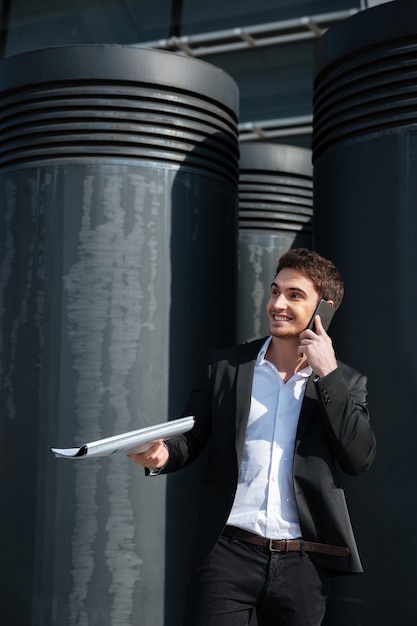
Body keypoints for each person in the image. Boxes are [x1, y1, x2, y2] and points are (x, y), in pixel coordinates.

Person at [129, 247, 377, 626]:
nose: (278, 303)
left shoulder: (347, 382)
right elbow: (189, 437)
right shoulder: (226, 366)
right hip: (226, 553)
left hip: (304, 562)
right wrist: (161, 456)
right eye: (276, 291)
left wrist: (328, 376)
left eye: (295, 296)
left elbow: (358, 457)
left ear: (323, 309)